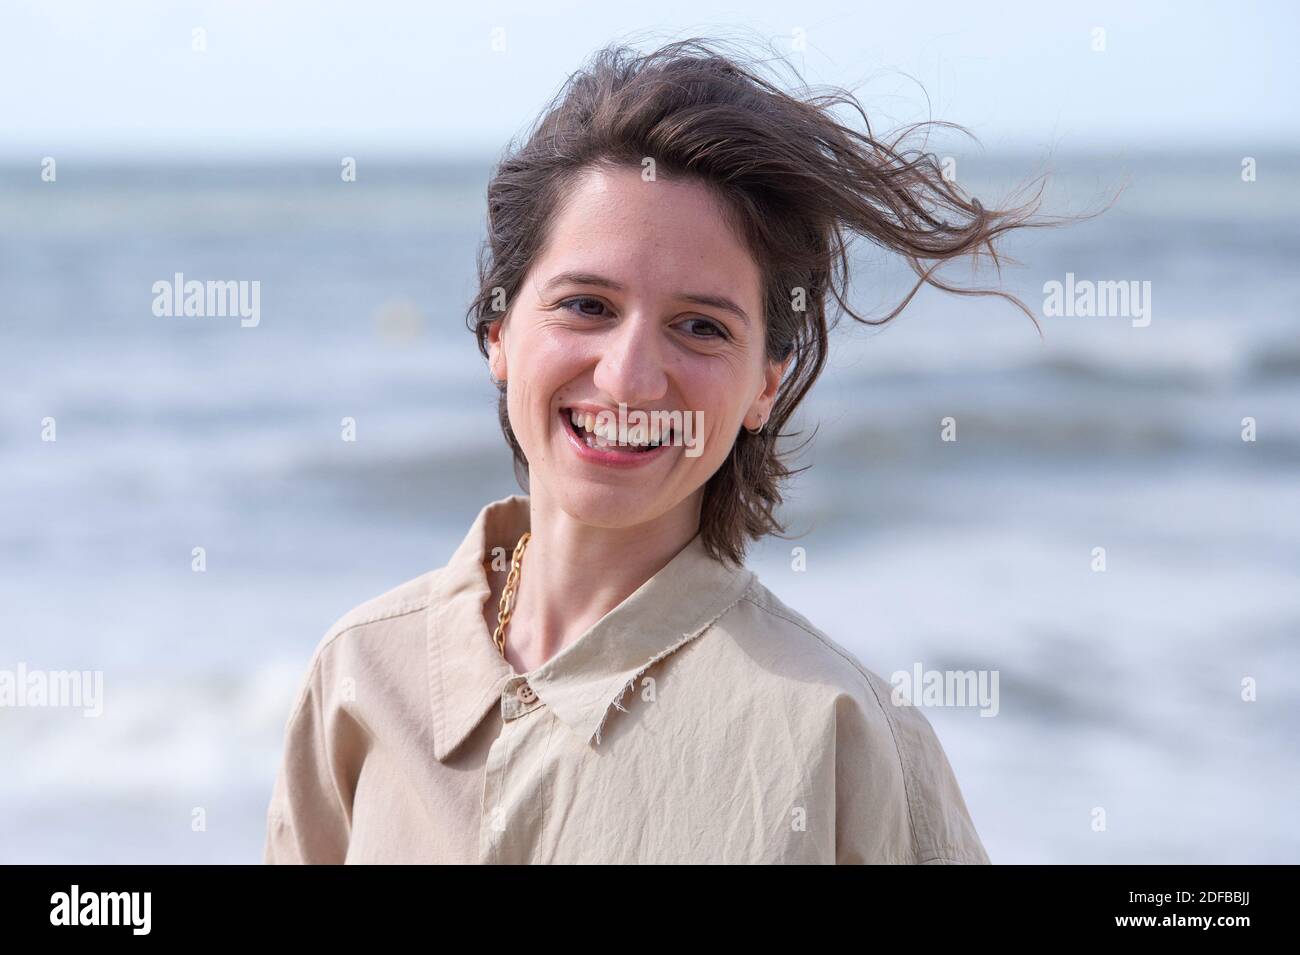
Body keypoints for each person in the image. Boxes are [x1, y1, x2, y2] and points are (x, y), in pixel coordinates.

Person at [264, 37, 1048, 864]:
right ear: (499, 329)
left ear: (763, 387)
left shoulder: (844, 738)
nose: (631, 379)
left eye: (701, 326)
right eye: (587, 305)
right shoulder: (361, 674)